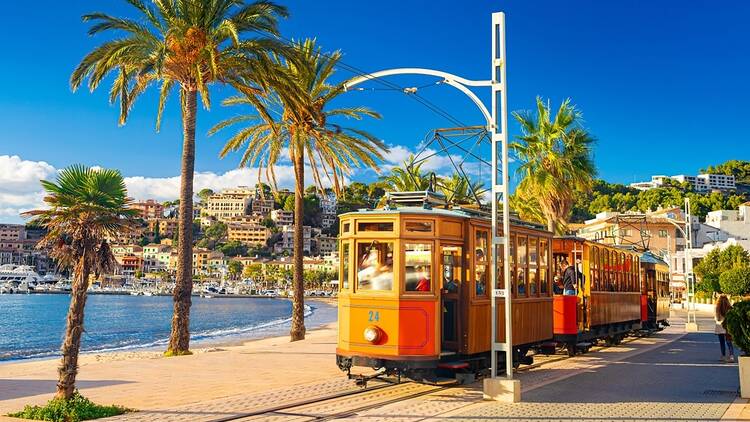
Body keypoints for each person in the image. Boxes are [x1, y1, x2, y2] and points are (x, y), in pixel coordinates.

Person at [715, 294, 735, 363]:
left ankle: (723, 356)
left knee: (722, 342)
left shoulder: (717, 308)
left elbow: (717, 318)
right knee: (729, 342)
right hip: (727, 327)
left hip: (720, 326)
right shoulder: (729, 308)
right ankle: (731, 356)